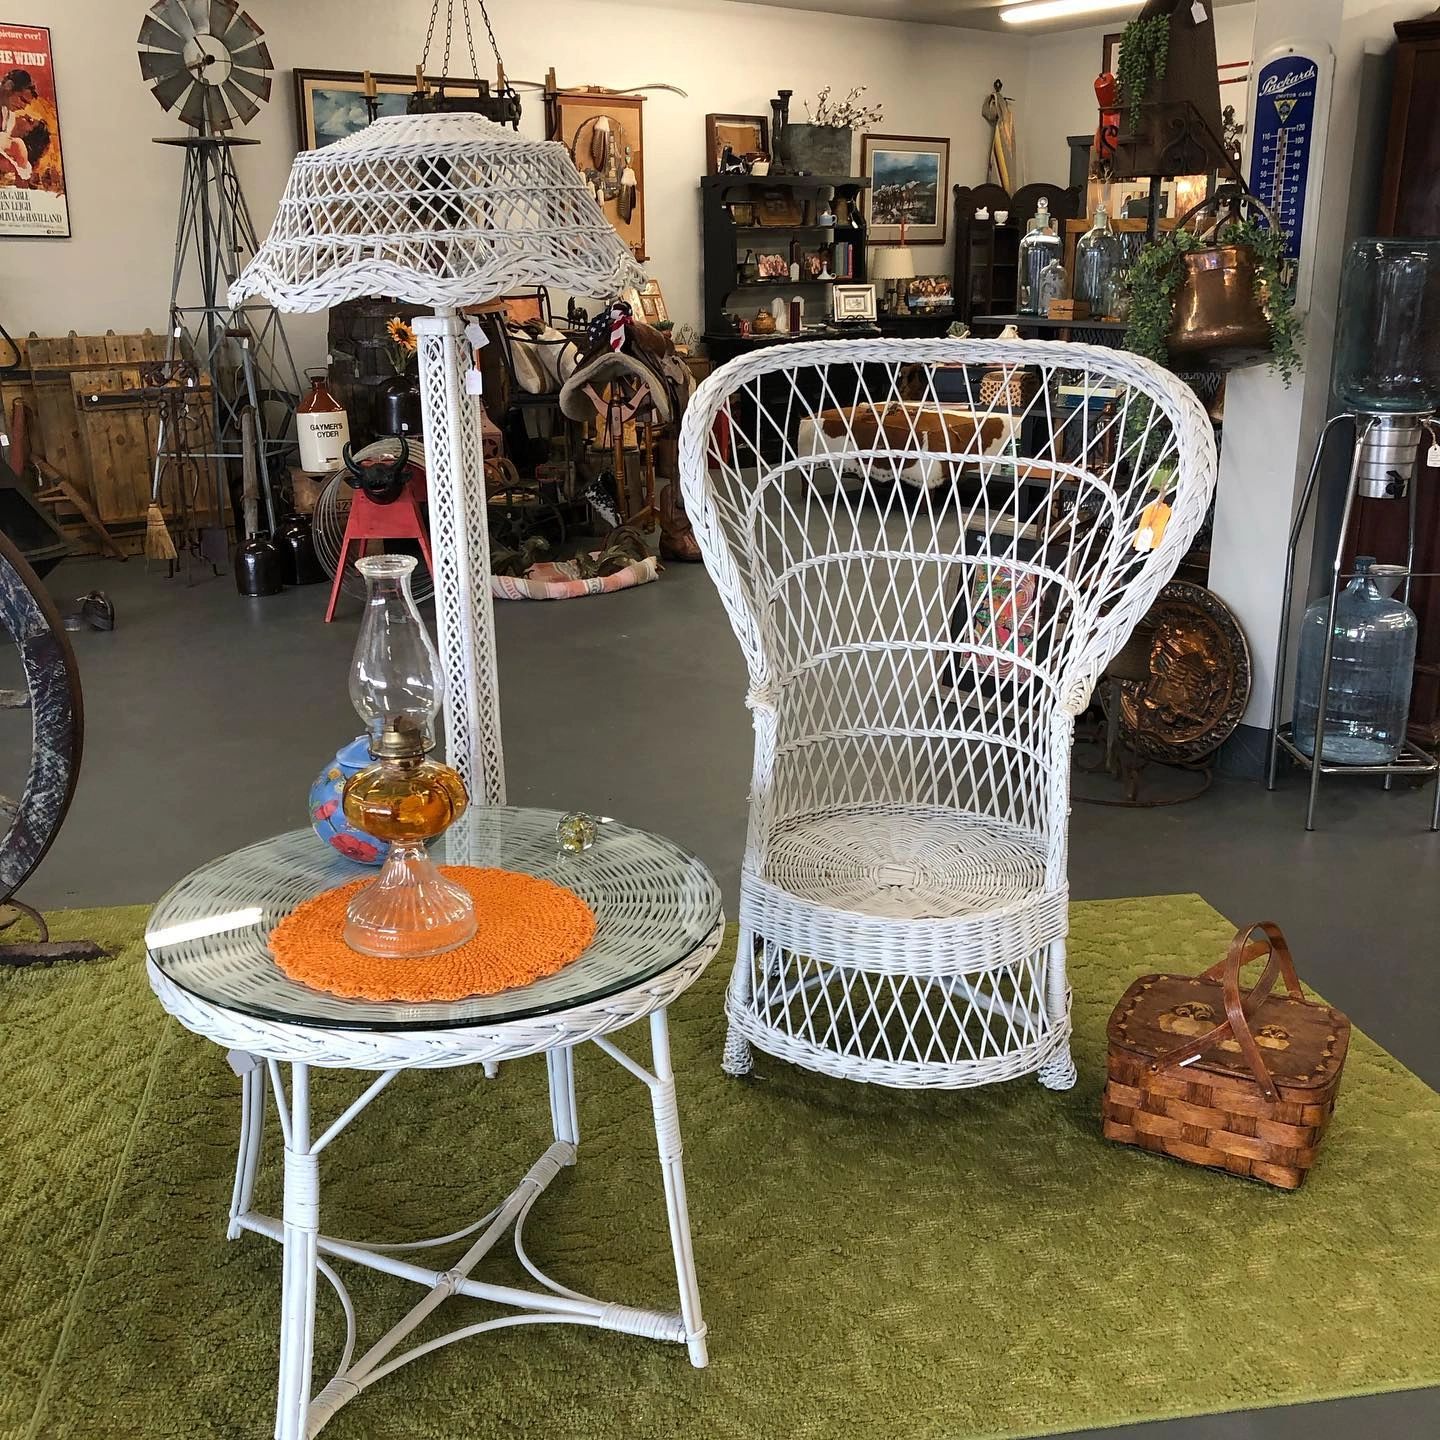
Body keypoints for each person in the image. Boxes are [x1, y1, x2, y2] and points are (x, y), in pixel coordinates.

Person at [0, 113, 49, 186]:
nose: (26, 115)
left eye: (30, 121)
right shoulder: (6, 126)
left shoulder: (17, 145)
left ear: (27, 134)